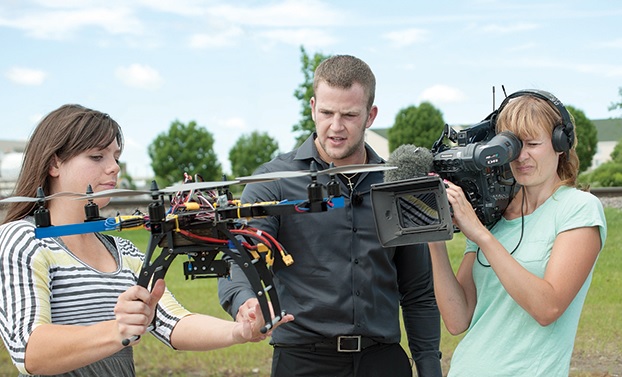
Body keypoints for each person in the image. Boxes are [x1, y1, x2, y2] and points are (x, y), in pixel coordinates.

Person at [0, 104, 293, 376]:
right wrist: (118, 330)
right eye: (97, 156)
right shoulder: (24, 239)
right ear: (54, 164)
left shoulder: (123, 251)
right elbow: (29, 350)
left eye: (116, 156)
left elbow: (172, 322)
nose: (114, 167)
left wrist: (238, 331)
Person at [218, 55, 442, 376]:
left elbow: (418, 291)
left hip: (383, 361)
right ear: (312, 108)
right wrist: (245, 301)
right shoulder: (273, 181)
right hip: (302, 360)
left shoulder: (395, 184)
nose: (335, 127)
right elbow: (238, 259)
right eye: (326, 113)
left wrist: (429, 366)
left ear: (370, 115)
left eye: (349, 115)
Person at [428, 90, 607, 376]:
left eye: (533, 144)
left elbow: (547, 308)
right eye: (510, 146)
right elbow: (457, 320)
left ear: (561, 142)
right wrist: (434, 235)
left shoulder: (579, 209)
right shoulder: (493, 215)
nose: (520, 157)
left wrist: (481, 236)